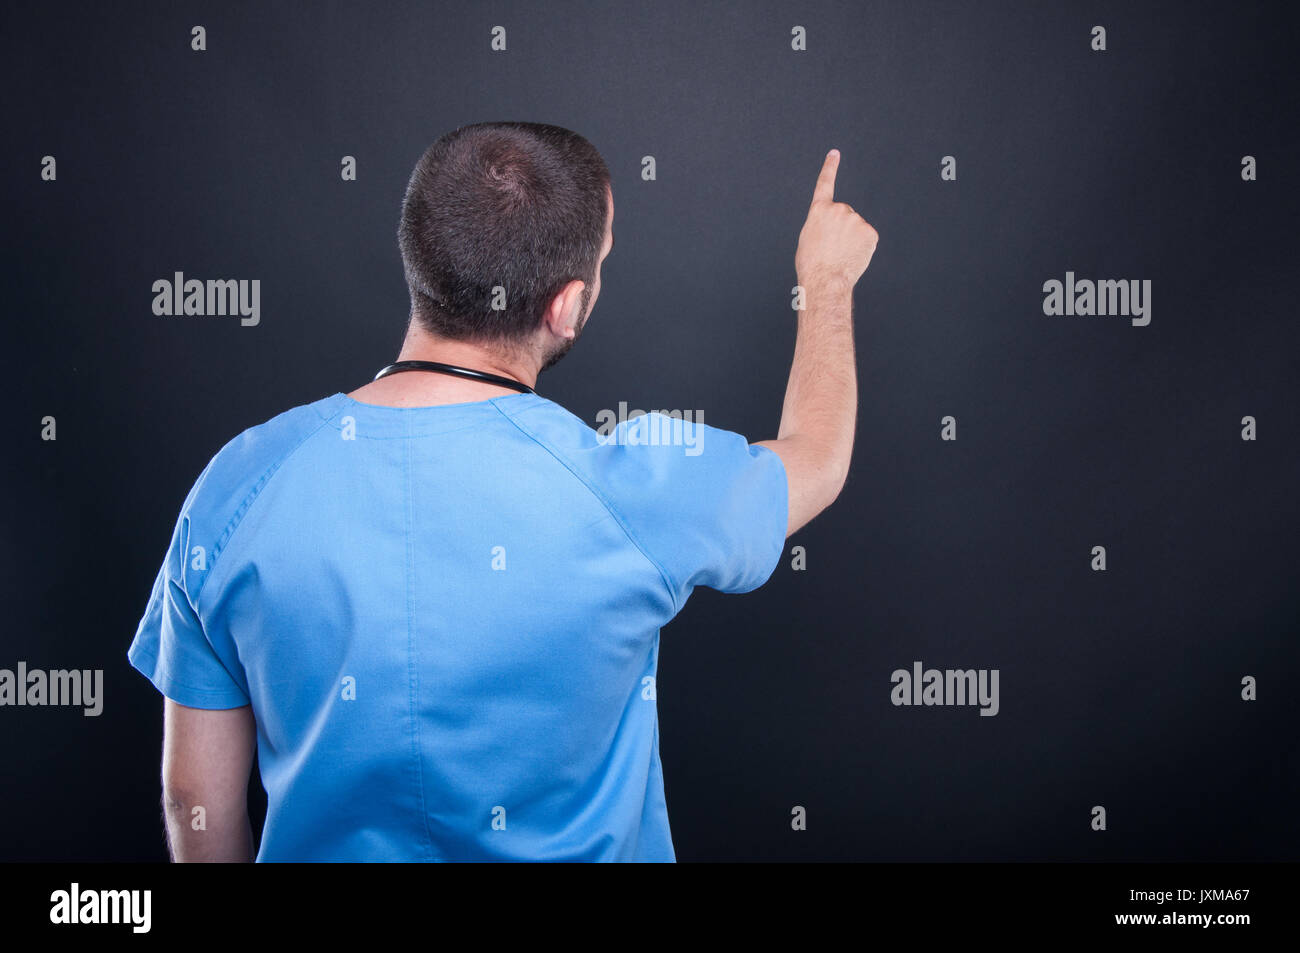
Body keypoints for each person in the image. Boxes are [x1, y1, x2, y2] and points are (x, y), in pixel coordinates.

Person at [127, 122, 879, 861]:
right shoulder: (636, 488)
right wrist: (827, 281)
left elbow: (194, 801)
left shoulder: (239, 485)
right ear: (567, 305)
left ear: (418, 258)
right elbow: (818, 456)